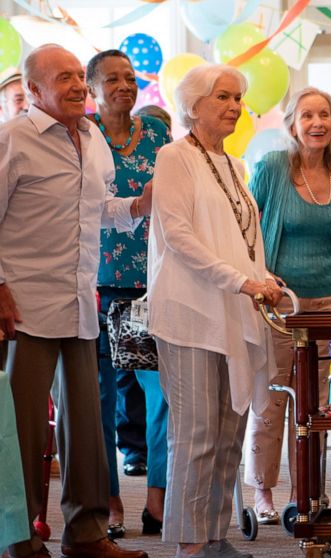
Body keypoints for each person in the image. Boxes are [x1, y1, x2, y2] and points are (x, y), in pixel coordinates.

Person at [1, 43, 151, 558]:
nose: (76, 86)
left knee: (86, 427)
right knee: (21, 432)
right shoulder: (13, 139)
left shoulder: (91, 136)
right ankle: (18, 540)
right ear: (34, 89)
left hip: (81, 303)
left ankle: (86, 534)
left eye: (77, 77)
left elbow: (97, 208)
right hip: (24, 308)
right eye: (62, 77)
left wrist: (137, 205)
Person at [148, 63, 281, 558]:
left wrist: (262, 276)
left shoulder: (235, 165)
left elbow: (241, 238)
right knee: (197, 432)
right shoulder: (174, 156)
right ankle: (189, 543)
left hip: (234, 311)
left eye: (238, 97)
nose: (234, 106)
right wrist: (241, 280)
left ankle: (215, 535)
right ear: (193, 106)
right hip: (190, 313)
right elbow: (178, 236)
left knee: (229, 431)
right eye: (222, 97)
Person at [244, 86, 331, 524]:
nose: (318, 123)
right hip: (280, 302)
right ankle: (262, 490)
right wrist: (259, 275)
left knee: (315, 404)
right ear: (293, 125)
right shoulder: (273, 167)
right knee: (272, 396)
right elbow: (248, 229)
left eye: (325, 115)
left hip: (329, 301)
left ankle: (306, 489)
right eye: (308, 115)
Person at [85, 48, 171, 540]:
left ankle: (157, 499)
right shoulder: (82, 134)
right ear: (92, 88)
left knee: (161, 397)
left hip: (153, 285)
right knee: (98, 400)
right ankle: (109, 501)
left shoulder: (156, 133)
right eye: (112, 79)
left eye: (130, 78)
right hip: (97, 284)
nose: (124, 86)